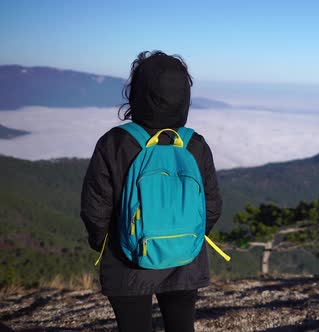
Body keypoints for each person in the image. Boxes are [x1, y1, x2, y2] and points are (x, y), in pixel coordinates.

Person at [80, 50, 222, 332]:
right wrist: (189, 239)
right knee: (181, 326)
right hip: (185, 259)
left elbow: (95, 208)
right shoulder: (195, 144)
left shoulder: (114, 143)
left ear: (138, 92)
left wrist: (106, 243)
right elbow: (212, 205)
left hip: (127, 262)